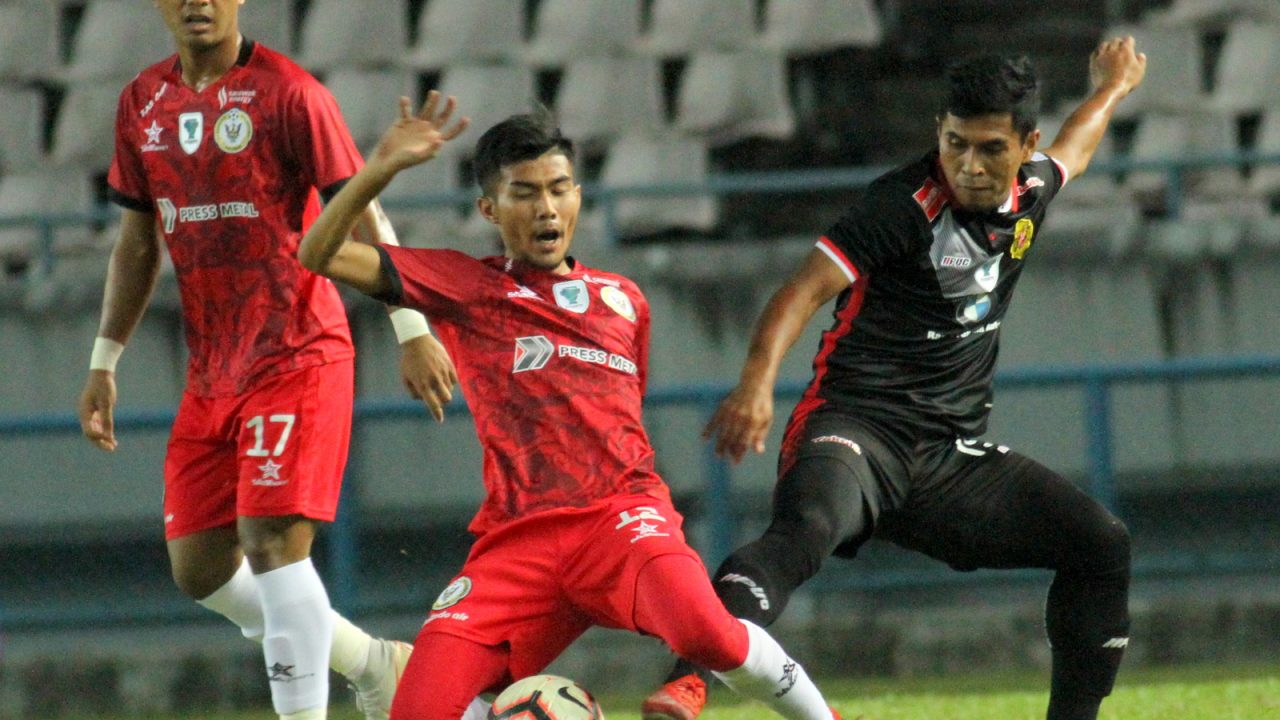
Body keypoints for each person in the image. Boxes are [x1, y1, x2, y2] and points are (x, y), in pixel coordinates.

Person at [641, 37, 1148, 720]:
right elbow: (801, 291)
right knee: (803, 533)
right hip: (856, 429)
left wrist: (1112, 87)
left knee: (1100, 542)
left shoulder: (1034, 188)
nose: (968, 165)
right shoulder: (899, 206)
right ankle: (686, 683)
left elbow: (1077, 147)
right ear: (939, 131)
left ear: (1026, 145)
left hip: (948, 458)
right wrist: (756, 385)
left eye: (990, 149)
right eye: (954, 143)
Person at [297, 91, 846, 720]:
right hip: (519, 541)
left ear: (579, 196)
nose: (546, 208)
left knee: (706, 635)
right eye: (525, 193)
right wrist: (379, 170)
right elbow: (317, 254)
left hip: (621, 518)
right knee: (417, 711)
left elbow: (620, 417)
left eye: (559, 189)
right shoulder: (468, 286)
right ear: (489, 208)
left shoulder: (625, 300)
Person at [75, 2, 458, 719]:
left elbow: (362, 208)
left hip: (297, 352)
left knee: (273, 544)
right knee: (199, 569)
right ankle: (373, 663)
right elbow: (137, 241)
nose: (198, 1)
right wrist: (105, 359)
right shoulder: (141, 103)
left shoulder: (291, 94)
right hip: (213, 370)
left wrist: (410, 324)